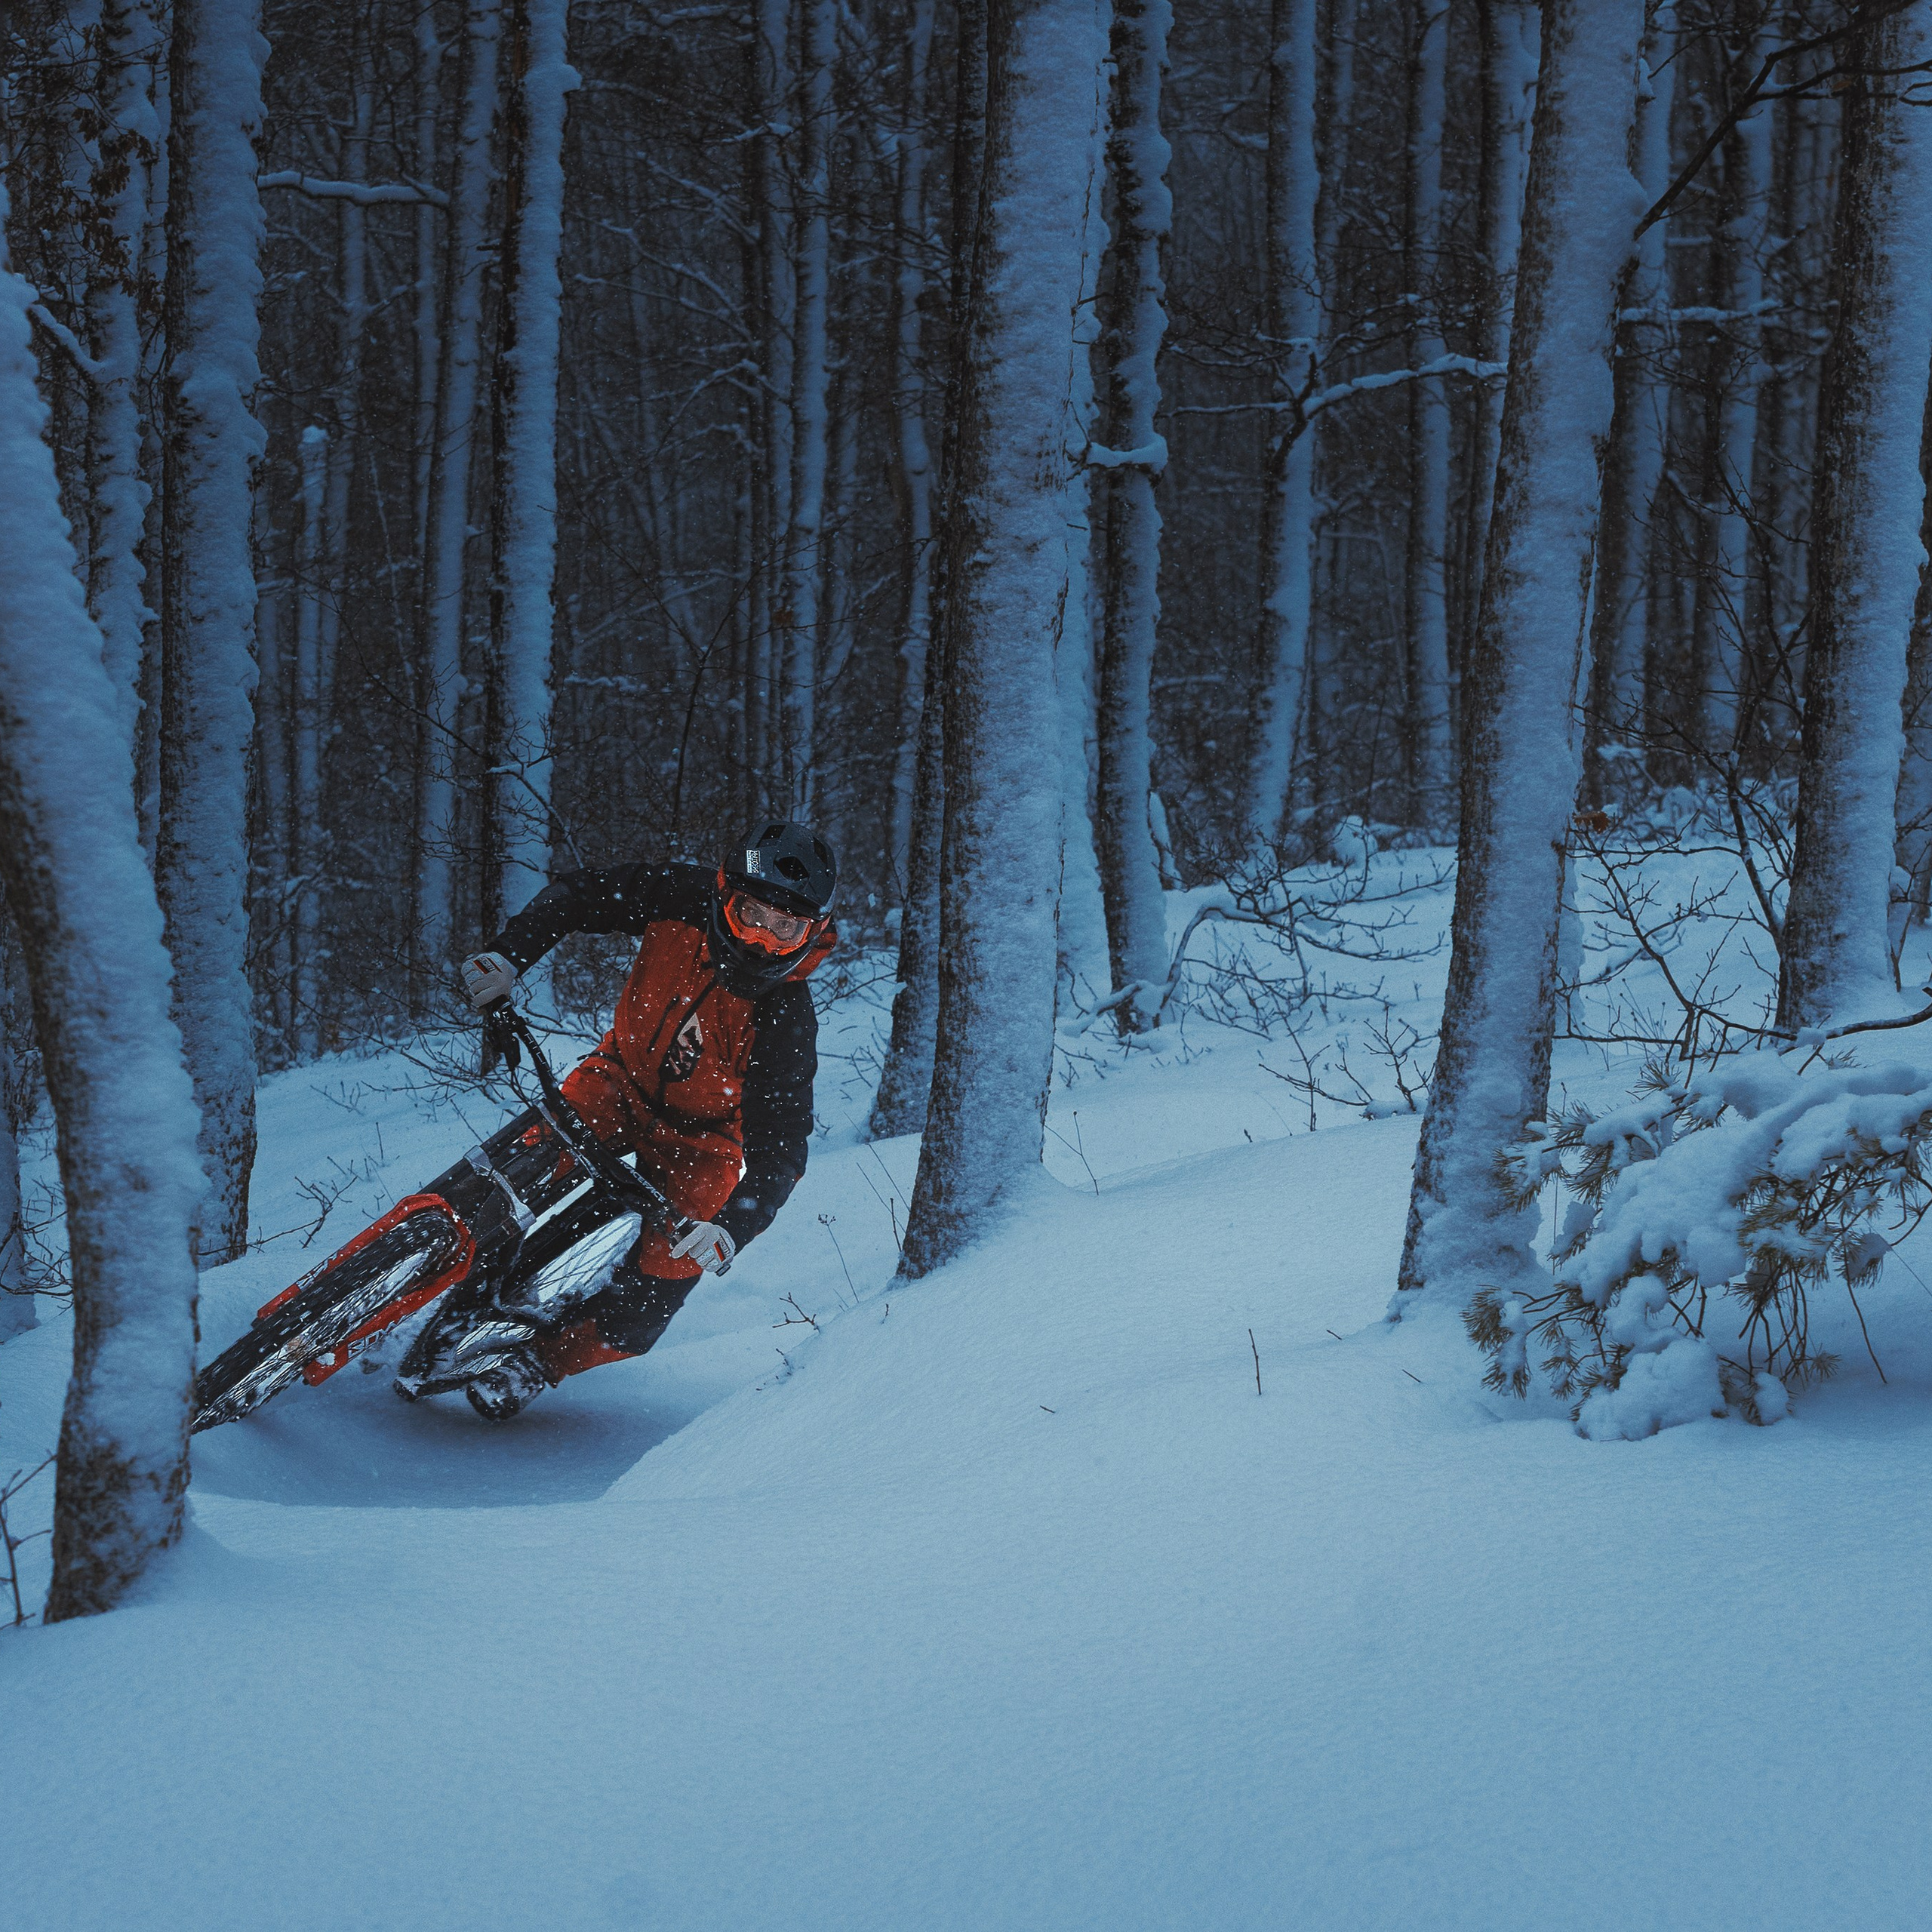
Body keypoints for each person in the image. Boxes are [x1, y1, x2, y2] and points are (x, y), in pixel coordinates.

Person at [433, 820, 838, 1419]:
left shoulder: (785, 1017)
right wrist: (508, 955)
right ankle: (416, 1267)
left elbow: (782, 1153)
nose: (759, 941)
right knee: (503, 1171)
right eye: (751, 914)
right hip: (617, 1080)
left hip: (702, 1143)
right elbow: (578, 897)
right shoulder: (679, 895)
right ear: (724, 894)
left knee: (657, 1292)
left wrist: (730, 1230)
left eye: (786, 930)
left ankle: (542, 1362)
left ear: (813, 933)